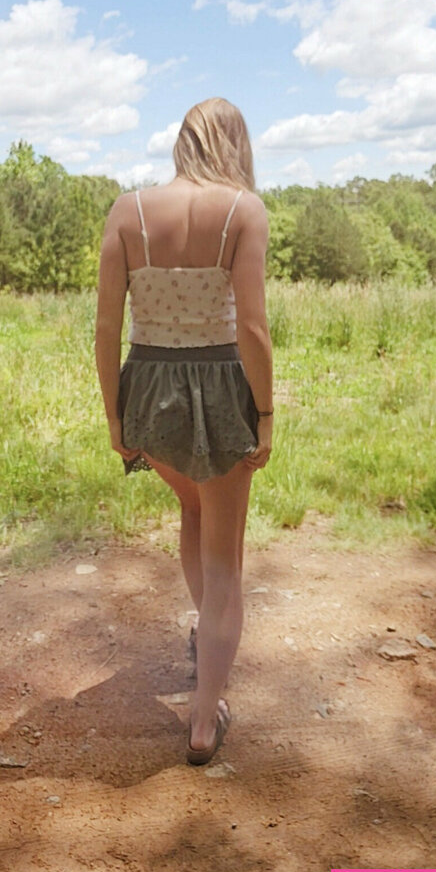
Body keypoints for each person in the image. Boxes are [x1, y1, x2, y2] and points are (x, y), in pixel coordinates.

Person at [95, 97, 273, 765]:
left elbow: (106, 327)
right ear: (236, 144)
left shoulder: (128, 211)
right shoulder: (242, 211)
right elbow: (251, 328)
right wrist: (265, 414)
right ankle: (203, 718)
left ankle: (205, 641)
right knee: (226, 562)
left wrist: (114, 415)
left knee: (193, 509)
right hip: (219, 389)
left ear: (182, 143)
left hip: (148, 388)